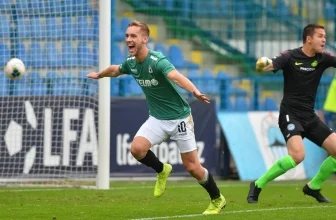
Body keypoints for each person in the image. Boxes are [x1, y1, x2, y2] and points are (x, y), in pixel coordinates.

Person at [87, 20, 226, 214]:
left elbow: (177, 77)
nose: (128, 39)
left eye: (133, 36)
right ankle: (162, 169)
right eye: (127, 36)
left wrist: (194, 91)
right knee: (136, 149)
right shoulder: (131, 63)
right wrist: (99, 75)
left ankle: (217, 199)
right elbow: (114, 70)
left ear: (145, 39)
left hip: (180, 119)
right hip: (157, 119)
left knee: (193, 167)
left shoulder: (157, 61)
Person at [247, 23, 336, 204]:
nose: (324, 39)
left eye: (325, 36)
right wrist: (262, 65)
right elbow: (269, 65)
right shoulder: (289, 56)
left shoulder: (323, 58)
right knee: (297, 156)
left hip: (309, 117)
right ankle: (257, 184)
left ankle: (313, 187)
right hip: (290, 114)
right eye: (320, 36)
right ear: (308, 39)